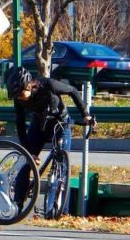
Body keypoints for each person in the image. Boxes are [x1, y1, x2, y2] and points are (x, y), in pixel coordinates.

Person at [7, 67, 95, 212]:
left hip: (61, 124)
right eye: (17, 96)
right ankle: (17, 205)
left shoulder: (48, 85)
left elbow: (72, 91)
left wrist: (85, 114)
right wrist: (29, 152)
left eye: (21, 94)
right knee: (26, 163)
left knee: (62, 165)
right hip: (39, 126)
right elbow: (20, 125)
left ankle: (61, 210)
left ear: (29, 86)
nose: (20, 98)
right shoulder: (19, 99)